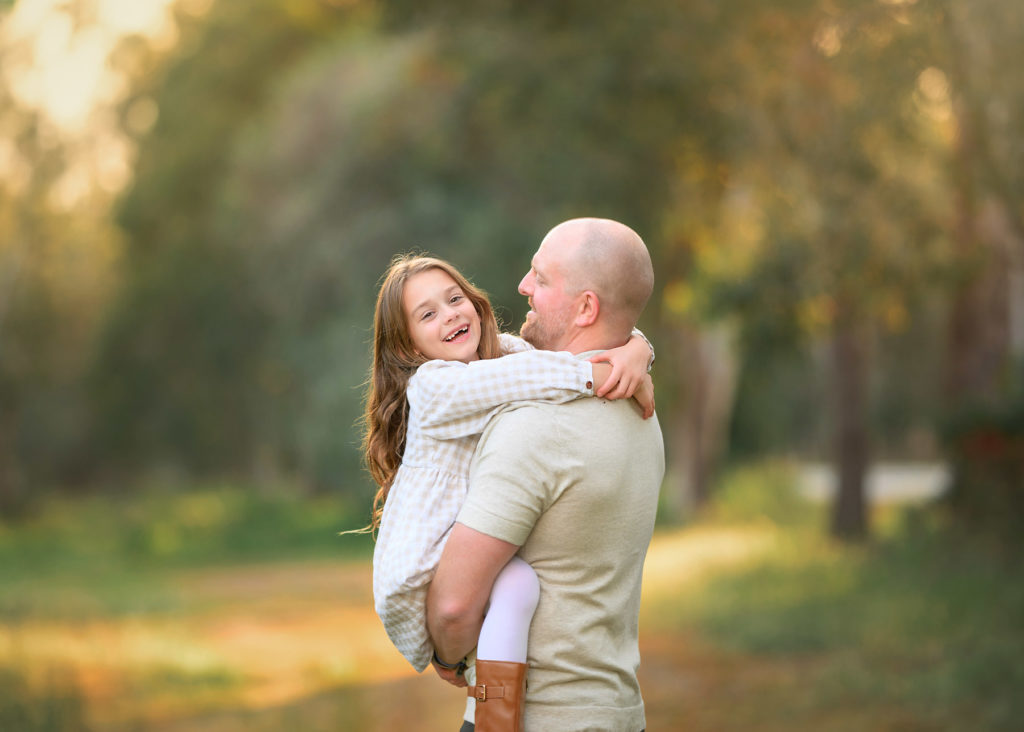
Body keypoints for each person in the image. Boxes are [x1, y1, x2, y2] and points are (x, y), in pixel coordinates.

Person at [363, 254, 656, 726]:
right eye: (428, 314)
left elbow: (573, 347)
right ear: (409, 347)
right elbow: (537, 376)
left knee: (516, 582)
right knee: (516, 582)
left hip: (450, 549)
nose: (451, 314)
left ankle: (494, 715)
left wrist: (637, 349)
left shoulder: (501, 356)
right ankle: (497, 716)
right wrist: (597, 375)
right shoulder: (432, 385)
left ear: (474, 303)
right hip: (417, 564)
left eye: (455, 298)